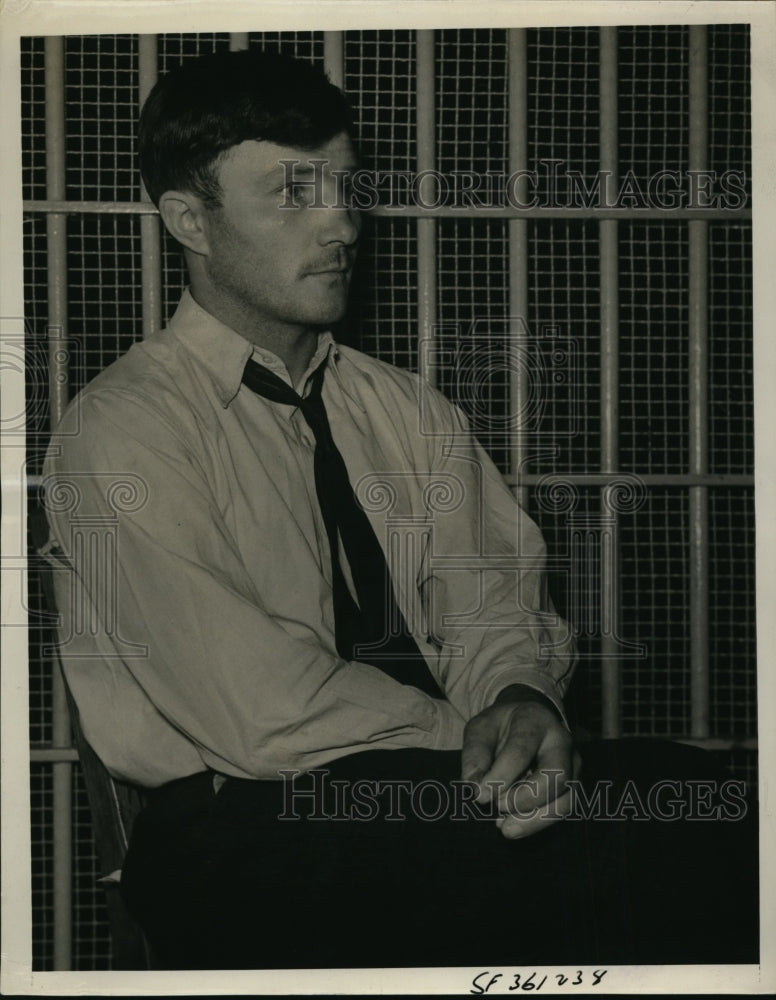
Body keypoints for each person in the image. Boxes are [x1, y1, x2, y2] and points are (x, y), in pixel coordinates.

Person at [42, 49, 757, 970]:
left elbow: (494, 597)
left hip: (429, 797)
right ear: (190, 219)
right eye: (293, 194)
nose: (341, 220)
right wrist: (475, 744)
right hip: (243, 829)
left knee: (702, 797)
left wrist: (521, 697)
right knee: (643, 848)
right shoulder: (124, 426)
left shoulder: (409, 410)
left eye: (345, 186)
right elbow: (258, 708)